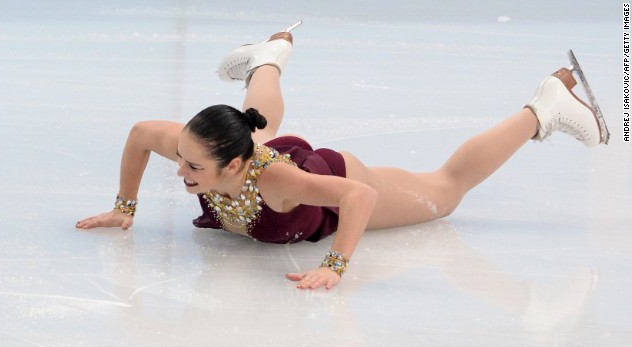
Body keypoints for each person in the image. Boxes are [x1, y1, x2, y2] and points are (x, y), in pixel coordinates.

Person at [76, 21, 610, 290]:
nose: (179, 171)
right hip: (254, 156)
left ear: (233, 168)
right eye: (183, 158)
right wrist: (126, 205)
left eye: (192, 167)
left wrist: (335, 265)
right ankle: (270, 56)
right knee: (255, 125)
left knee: (444, 191)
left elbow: (360, 194)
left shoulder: (280, 185)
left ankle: (544, 107)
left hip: (325, 178)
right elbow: (142, 132)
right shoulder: (215, 149)